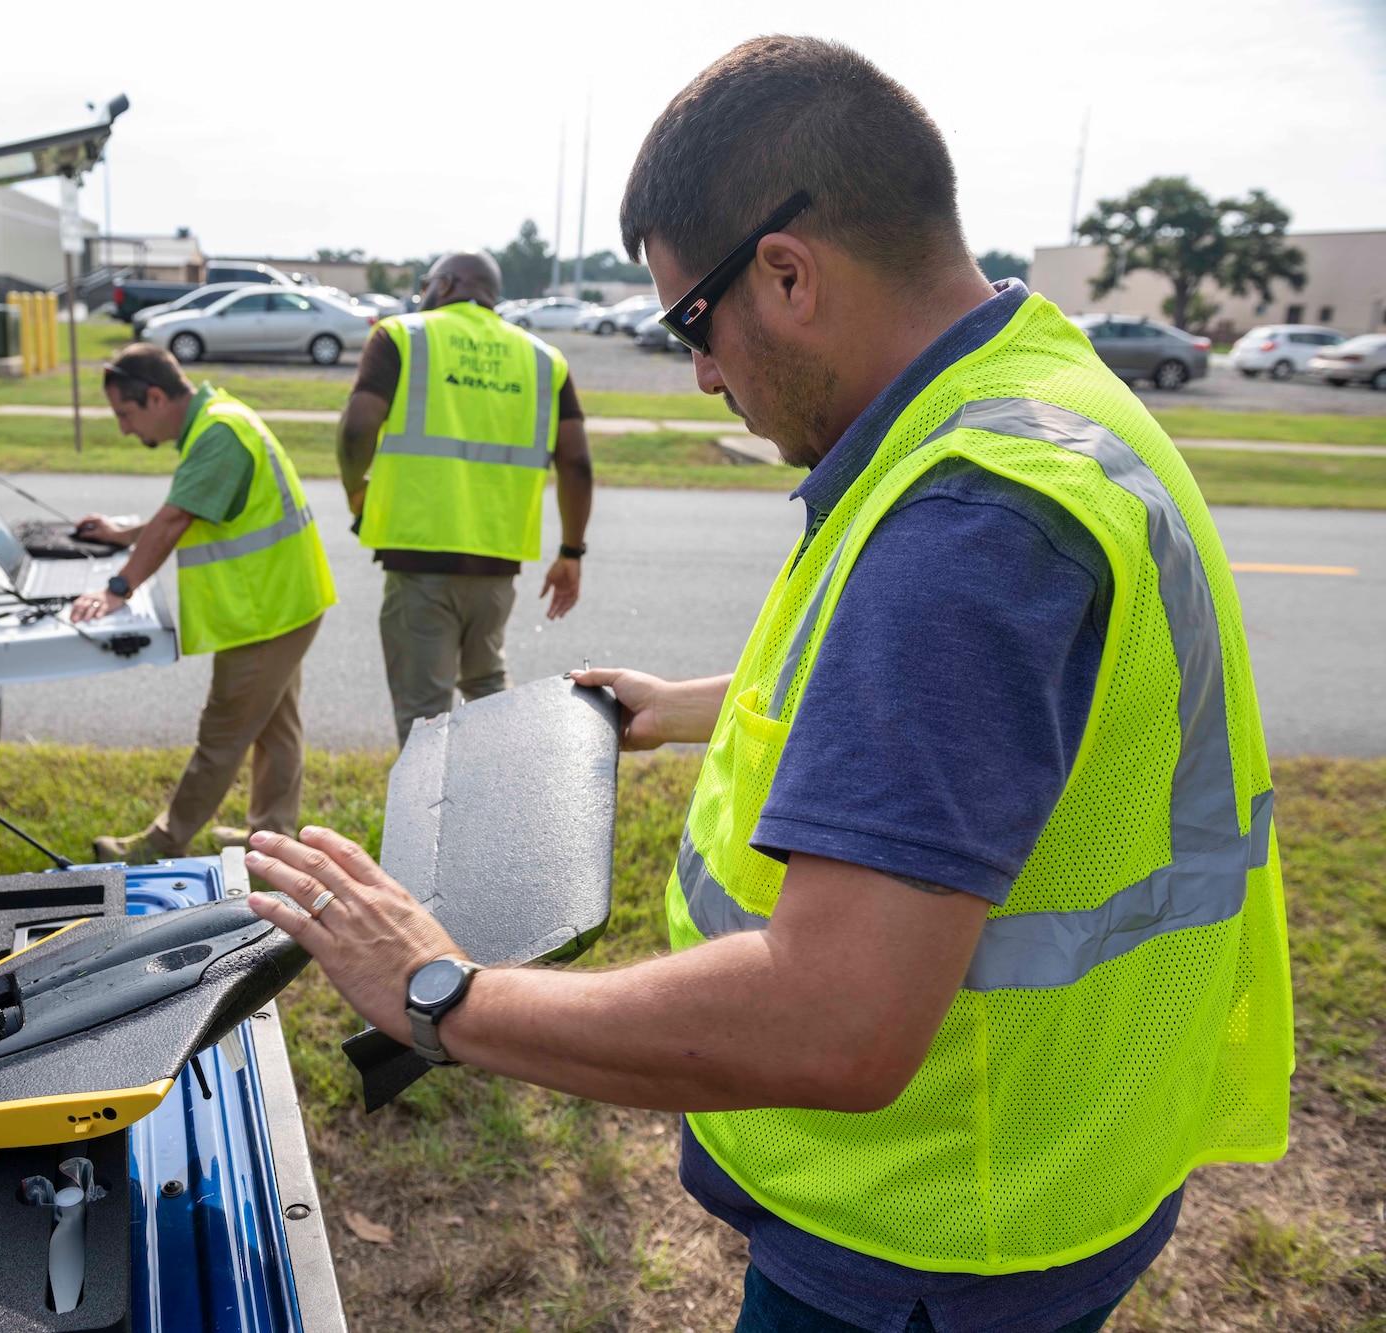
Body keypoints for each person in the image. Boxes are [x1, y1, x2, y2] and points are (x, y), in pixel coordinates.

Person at [238, 36, 1291, 1333]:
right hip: (1063, 1153)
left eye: (694, 322)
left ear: (785, 272)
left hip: (931, 1225)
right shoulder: (1043, 400)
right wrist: (689, 707)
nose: (701, 373)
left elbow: (834, 1019)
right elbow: (998, 710)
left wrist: (440, 992)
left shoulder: (971, 525)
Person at [73, 344, 337, 863]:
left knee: (222, 733)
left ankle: (159, 844)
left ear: (155, 396)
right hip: (286, 602)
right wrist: (123, 533)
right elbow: (190, 509)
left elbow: (175, 520)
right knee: (276, 728)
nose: (125, 429)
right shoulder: (221, 419)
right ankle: (274, 839)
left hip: (265, 613)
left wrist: (116, 589)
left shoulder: (218, 434)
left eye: (126, 415)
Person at [337, 251, 595, 744]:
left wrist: (355, 489)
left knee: (424, 717)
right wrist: (571, 552)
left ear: (448, 283)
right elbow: (577, 463)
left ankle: (430, 820)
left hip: (419, 556)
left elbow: (357, 429)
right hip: (497, 562)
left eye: (427, 283)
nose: (423, 293)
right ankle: (505, 805)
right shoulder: (543, 359)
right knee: (489, 690)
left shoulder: (404, 335)